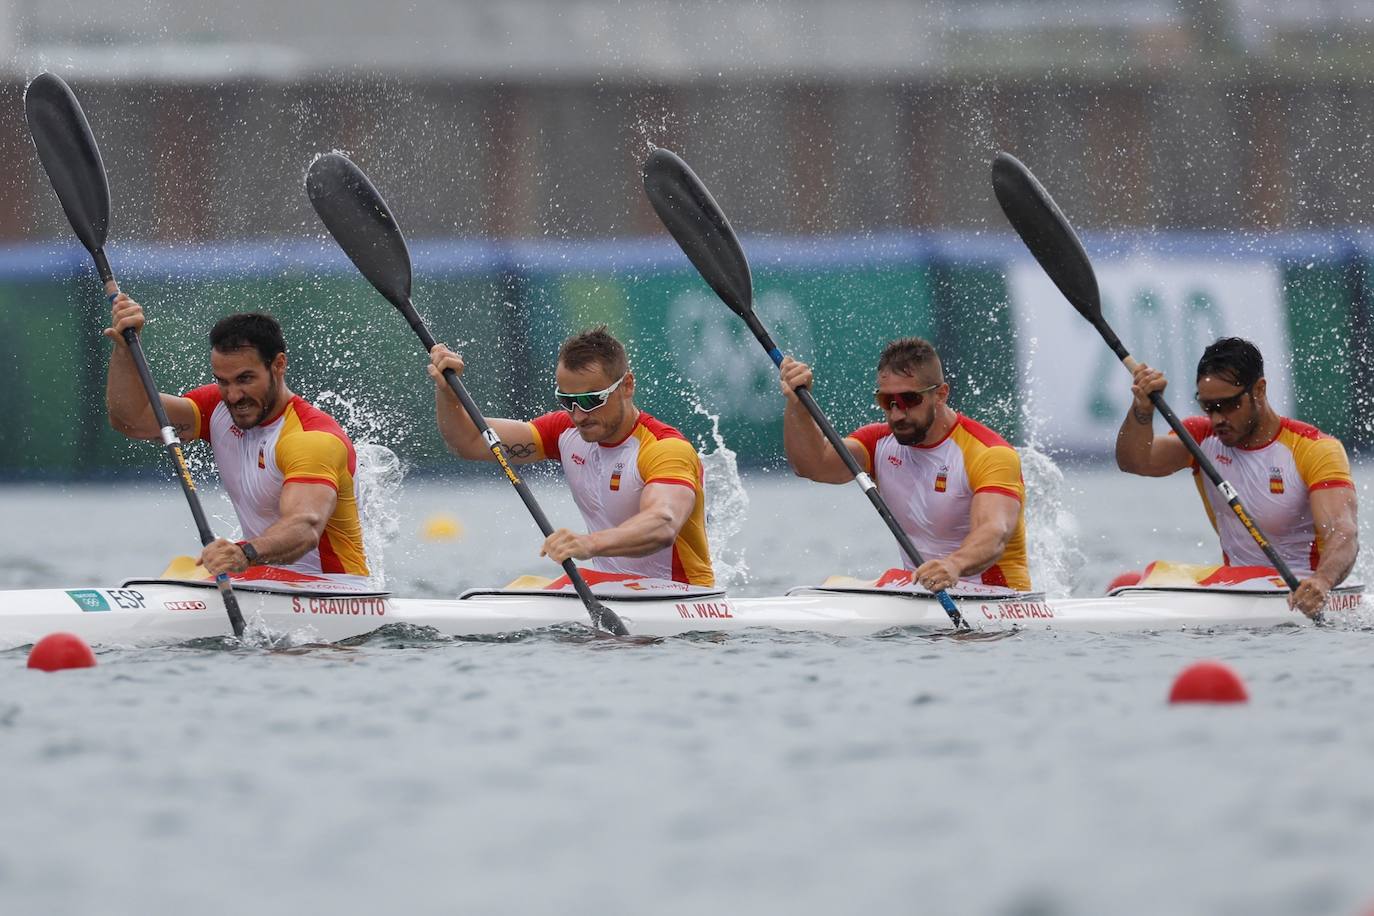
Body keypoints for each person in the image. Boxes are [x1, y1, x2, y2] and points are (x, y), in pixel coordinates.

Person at [105, 295, 369, 585]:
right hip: (262, 576)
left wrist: (244, 553)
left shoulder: (310, 438)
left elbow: (304, 528)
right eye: (223, 381)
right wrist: (124, 349)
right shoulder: (216, 407)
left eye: (245, 379)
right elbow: (132, 421)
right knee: (182, 568)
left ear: (278, 365)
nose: (233, 397)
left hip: (332, 589)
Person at [427, 325, 714, 587]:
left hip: (678, 595)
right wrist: (446, 391)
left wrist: (589, 544)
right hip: (611, 589)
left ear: (627, 386)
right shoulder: (564, 431)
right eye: (567, 401)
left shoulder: (665, 449)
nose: (578, 415)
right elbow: (470, 441)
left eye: (591, 400)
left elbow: (663, 525)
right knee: (524, 586)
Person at [1116, 336, 1357, 618]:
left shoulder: (1314, 449)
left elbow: (1344, 531)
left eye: (1228, 405)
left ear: (1259, 390)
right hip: (1236, 588)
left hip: (1300, 594)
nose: (1217, 419)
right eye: (1208, 407)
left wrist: (1322, 581)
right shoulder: (1200, 438)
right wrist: (1142, 410)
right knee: (1154, 573)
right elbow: (1135, 461)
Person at [779, 336, 1031, 592]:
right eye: (887, 402)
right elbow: (813, 465)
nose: (897, 414)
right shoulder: (879, 443)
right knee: (832, 583)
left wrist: (953, 565)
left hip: (997, 606)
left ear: (941, 394)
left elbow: (995, 531)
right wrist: (797, 403)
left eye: (909, 400)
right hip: (924, 593)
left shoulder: (988, 453)